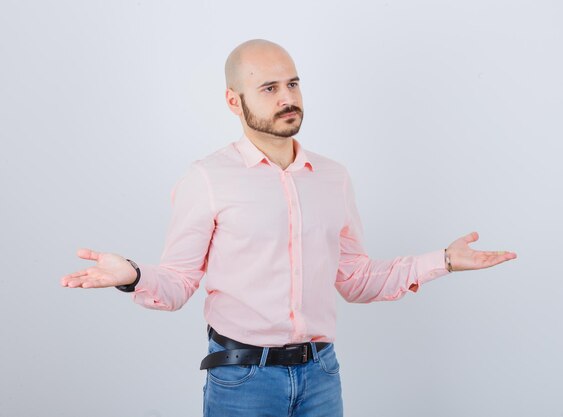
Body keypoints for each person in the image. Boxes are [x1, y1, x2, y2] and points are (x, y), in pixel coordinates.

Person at [61, 39, 517, 417]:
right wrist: (135, 276)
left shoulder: (333, 178)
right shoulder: (207, 178)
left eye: (293, 83)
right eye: (270, 88)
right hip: (243, 381)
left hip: (322, 377)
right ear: (233, 101)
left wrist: (444, 261)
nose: (287, 98)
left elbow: (356, 279)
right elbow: (179, 282)